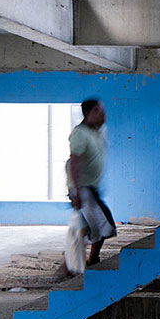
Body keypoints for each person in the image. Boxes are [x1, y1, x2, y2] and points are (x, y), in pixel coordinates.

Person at [64, 98, 116, 271]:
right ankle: (89, 263)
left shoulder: (97, 132)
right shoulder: (80, 133)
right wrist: (76, 192)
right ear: (88, 114)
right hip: (82, 188)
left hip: (91, 187)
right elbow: (74, 162)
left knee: (89, 226)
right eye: (98, 111)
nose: (103, 114)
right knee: (102, 224)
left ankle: (75, 264)